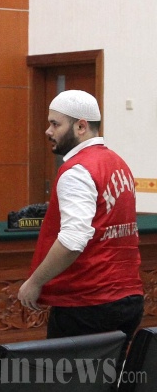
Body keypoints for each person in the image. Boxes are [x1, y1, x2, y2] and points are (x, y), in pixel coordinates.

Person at [18, 90, 143, 342]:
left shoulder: (78, 171)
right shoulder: (119, 163)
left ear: (81, 126)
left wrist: (35, 282)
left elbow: (73, 240)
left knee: (68, 370)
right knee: (112, 369)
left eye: (55, 124)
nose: (48, 131)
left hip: (86, 302)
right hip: (128, 297)